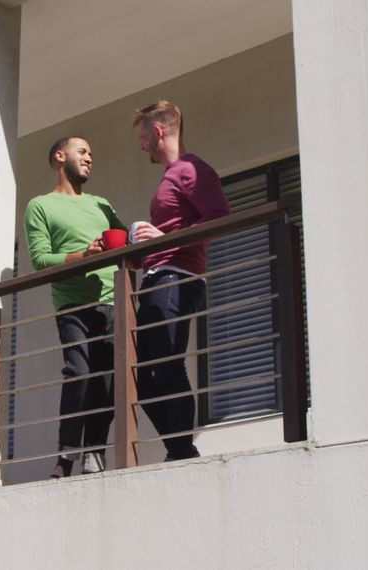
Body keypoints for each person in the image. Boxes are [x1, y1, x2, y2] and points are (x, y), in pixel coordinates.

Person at [130, 100, 230, 461]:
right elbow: (165, 234)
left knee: (168, 364)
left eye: (143, 137)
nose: (142, 145)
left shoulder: (191, 168)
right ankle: (180, 448)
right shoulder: (172, 174)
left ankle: (182, 450)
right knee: (139, 376)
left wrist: (163, 241)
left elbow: (219, 217)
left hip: (177, 277)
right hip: (158, 276)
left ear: (158, 131)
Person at [24, 136, 125, 478]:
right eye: (83, 151)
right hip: (73, 303)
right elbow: (40, 260)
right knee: (79, 373)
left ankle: (94, 452)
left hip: (113, 299)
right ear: (59, 156)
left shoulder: (101, 204)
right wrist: (84, 255)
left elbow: (125, 240)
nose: (89, 158)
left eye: (91, 153)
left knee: (108, 381)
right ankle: (66, 454)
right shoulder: (40, 205)